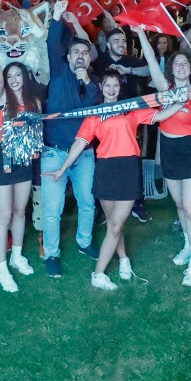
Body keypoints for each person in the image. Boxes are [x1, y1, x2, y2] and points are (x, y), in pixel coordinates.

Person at [46, 71, 148, 290]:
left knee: (115, 224)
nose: (112, 89)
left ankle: (98, 273)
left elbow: (158, 115)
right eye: (107, 85)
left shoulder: (131, 108)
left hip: (128, 168)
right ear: (101, 87)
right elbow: (80, 143)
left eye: (115, 85)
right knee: (113, 223)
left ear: (120, 88)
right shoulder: (95, 114)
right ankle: (123, 260)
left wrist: (180, 99)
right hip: (106, 169)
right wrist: (63, 168)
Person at [136, 28, 191, 286]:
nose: (181, 66)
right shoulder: (165, 91)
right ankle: (187, 245)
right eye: (176, 63)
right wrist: (140, 35)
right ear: (172, 69)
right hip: (169, 152)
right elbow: (150, 61)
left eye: (185, 63)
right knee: (180, 205)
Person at [40, 3, 103, 278]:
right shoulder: (57, 70)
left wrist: (86, 80)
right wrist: (56, 17)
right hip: (54, 153)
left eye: (84, 53)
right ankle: (51, 254)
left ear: (89, 58)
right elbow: (53, 41)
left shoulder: (93, 82)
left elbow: (94, 104)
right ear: (67, 56)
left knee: (87, 202)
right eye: (75, 51)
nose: (79, 56)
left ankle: (84, 241)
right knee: (53, 210)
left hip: (84, 155)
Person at [0, 60, 40, 287]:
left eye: (18, 75)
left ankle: (17, 256)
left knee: (20, 211)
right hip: (3, 160)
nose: (14, 79)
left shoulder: (34, 101)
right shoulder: (0, 99)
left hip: (24, 161)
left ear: (25, 77)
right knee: (5, 215)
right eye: (10, 76)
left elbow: (37, 131)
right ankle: (2, 268)